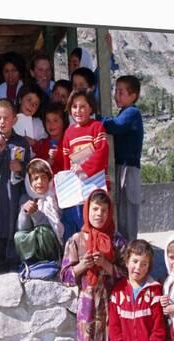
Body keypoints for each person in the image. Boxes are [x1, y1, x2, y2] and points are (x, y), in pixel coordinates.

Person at [60, 189, 127, 341]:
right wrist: (83, 266)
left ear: (110, 213)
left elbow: (128, 274)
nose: (99, 214)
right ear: (87, 210)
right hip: (87, 310)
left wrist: (107, 266)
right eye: (95, 209)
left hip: (113, 307)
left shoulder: (117, 241)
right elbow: (65, 276)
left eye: (104, 210)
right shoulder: (76, 240)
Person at [109, 239, 166, 341]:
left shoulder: (154, 291)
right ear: (127, 261)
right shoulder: (118, 291)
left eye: (144, 264)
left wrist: (156, 340)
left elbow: (159, 322)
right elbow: (114, 324)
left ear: (149, 267)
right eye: (135, 261)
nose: (138, 267)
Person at [0, 99, 31, 272]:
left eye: (6, 118)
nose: (2, 122)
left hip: (14, 191)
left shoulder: (21, 142)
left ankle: (12, 259)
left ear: (14, 120)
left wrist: (21, 167)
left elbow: (30, 168)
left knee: (12, 223)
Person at [61, 89, 110, 243]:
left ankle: (100, 253)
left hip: (96, 184)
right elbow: (66, 161)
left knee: (97, 219)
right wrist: (66, 182)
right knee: (78, 221)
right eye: (74, 106)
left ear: (91, 108)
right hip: (77, 187)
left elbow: (102, 152)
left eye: (83, 106)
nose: (78, 110)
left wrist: (84, 167)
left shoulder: (97, 127)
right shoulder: (68, 133)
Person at [102, 75, 144, 242]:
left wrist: (97, 119)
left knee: (128, 211)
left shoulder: (132, 113)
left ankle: (131, 248)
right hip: (121, 167)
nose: (116, 96)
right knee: (121, 211)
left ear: (133, 96)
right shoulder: (124, 113)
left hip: (129, 169)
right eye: (116, 91)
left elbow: (115, 126)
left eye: (121, 92)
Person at [14, 159, 63, 278]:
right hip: (35, 245)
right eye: (35, 178)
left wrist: (36, 214)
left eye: (43, 177)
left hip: (53, 244)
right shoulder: (26, 198)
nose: (39, 182)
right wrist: (25, 212)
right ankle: (31, 262)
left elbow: (55, 228)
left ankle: (50, 261)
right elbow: (22, 229)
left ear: (49, 179)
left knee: (43, 231)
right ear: (29, 181)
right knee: (18, 236)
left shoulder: (55, 198)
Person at [13, 83, 48, 153]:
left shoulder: (38, 123)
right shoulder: (8, 119)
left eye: (35, 104)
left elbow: (44, 147)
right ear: (20, 99)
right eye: (29, 100)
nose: (31, 105)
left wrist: (33, 143)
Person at [42, 102, 69, 174]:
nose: (51, 124)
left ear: (64, 122)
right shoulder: (43, 144)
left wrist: (58, 155)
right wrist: (45, 164)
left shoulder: (69, 142)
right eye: (48, 121)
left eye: (55, 120)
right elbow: (36, 166)